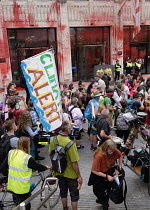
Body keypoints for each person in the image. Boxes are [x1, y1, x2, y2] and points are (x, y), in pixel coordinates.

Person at [0, 136, 49, 210]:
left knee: (18, 202)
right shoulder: (27, 158)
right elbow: (37, 166)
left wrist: (8, 175)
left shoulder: (11, 153)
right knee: (26, 206)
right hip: (22, 187)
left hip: (12, 184)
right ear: (27, 145)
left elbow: (3, 167)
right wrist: (45, 168)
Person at [48, 121, 83, 210]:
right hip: (71, 174)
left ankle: (65, 208)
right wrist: (79, 176)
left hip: (58, 172)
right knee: (74, 195)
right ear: (68, 129)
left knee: (63, 192)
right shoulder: (71, 144)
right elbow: (74, 162)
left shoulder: (53, 140)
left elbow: (50, 154)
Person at [88, 139, 122, 210]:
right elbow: (94, 170)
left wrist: (119, 168)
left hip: (109, 172)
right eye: (110, 151)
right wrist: (106, 176)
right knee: (97, 191)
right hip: (99, 175)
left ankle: (104, 203)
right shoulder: (99, 155)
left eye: (113, 151)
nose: (112, 152)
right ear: (106, 148)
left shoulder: (113, 150)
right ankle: (101, 200)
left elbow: (120, 155)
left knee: (107, 190)